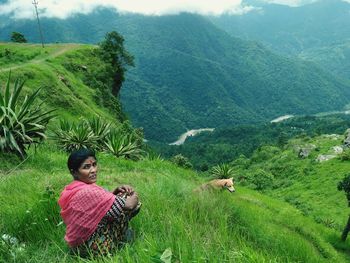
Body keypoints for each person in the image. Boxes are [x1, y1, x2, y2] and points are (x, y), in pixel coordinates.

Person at [58, 148, 141, 257]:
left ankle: (120, 234)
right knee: (131, 204)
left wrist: (115, 192)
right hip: (95, 248)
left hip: (77, 246)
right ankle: (122, 238)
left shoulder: (72, 189)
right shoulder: (89, 191)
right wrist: (133, 193)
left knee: (114, 202)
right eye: (86, 167)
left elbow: (99, 205)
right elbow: (130, 205)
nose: (93, 170)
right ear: (74, 172)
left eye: (94, 164)